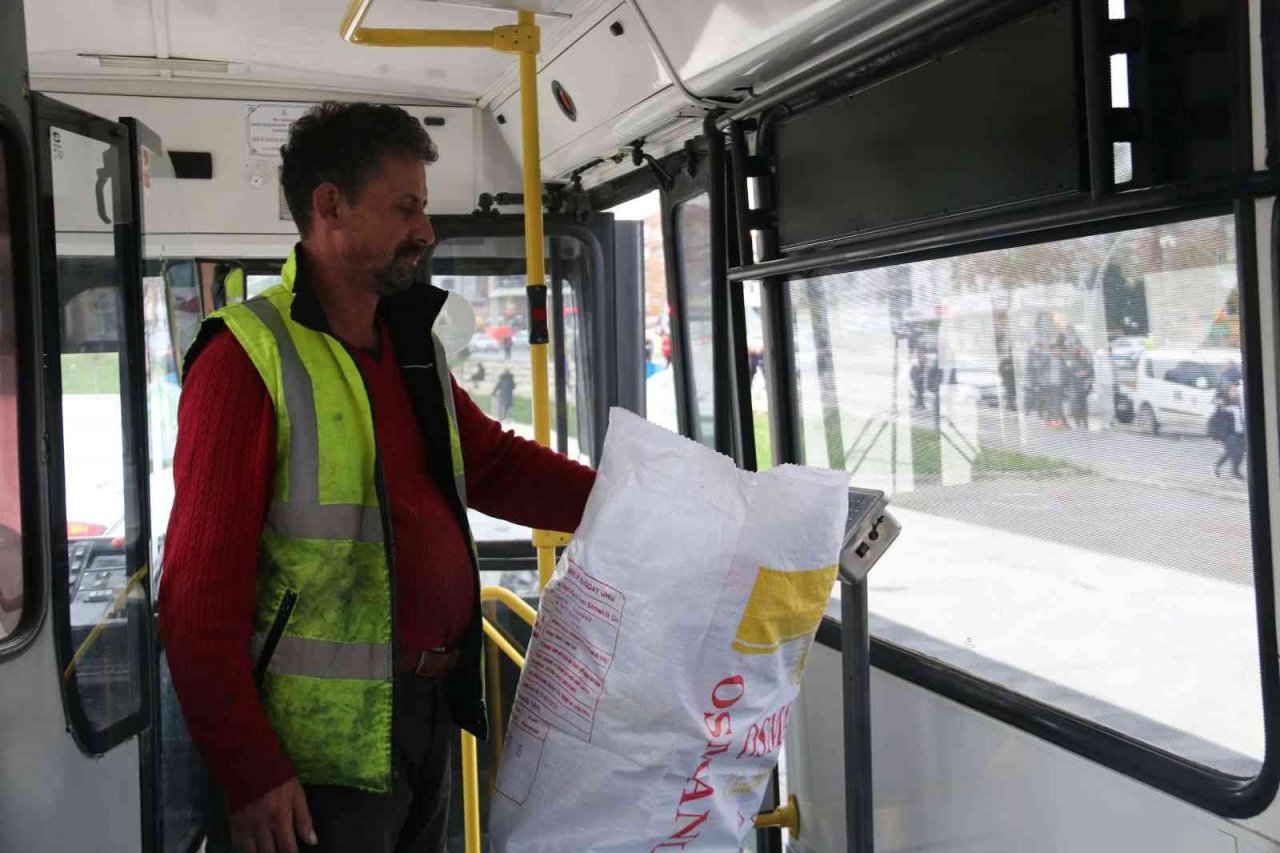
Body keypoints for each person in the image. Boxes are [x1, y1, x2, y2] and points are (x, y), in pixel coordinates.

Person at [158, 102, 596, 853]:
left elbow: (490, 463)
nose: (424, 230)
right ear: (330, 205)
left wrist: (653, 500)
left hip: (425, 713)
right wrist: (251, 770)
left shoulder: (408, 348)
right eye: (405, 207)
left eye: (421, 207)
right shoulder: (245, 360)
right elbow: (195, 605)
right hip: (314, 754)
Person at [1213, 381, 1246, 481]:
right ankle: (1234, 473)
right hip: (1230, 434)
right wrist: (1217, 436)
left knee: (1231, 453)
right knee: (1236, 453)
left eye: (1235, 389)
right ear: (1227, 391)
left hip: (1241, 431)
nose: (1235, 391)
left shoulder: (1239, 401)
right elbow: (1217, 420)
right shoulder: (1224, 403)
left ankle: (1217, 466)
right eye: (1232, 390)